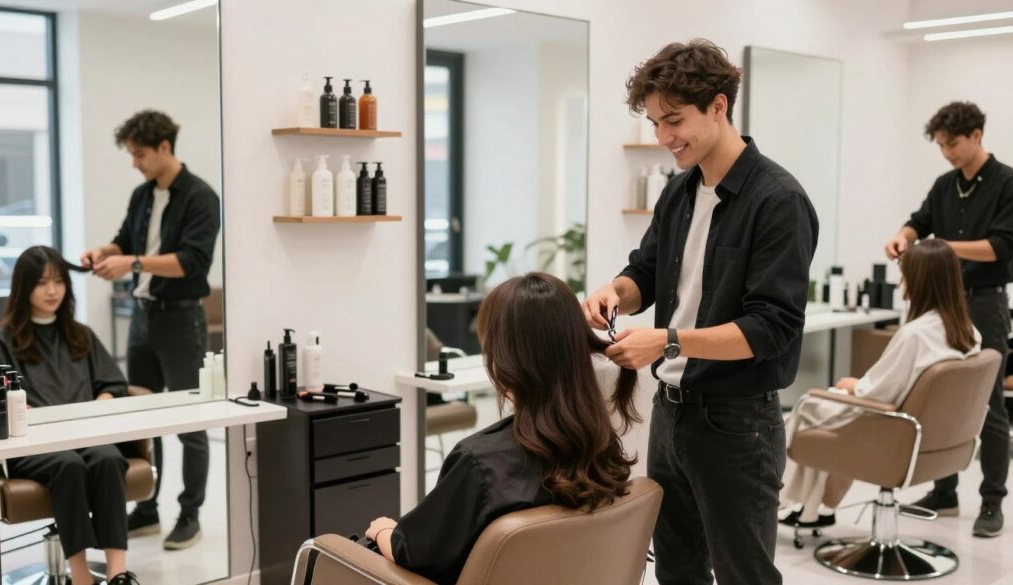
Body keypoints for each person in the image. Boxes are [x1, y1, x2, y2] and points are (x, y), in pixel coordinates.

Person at [583, 39, 818, 585]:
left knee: (744, 576)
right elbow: (645, 273)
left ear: (718, 106)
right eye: (655, 124)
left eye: (674, 121)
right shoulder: (679, 192)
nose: (664, 138)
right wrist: (614, 291)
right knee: (677, 571)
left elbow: (773, 328)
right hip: (670, 413)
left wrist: (668, 341)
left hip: (737, 423)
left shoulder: (778, 201)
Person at [364, 273, 639, 585]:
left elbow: (413, 555)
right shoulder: (601, 446)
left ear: (503, 359)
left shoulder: (479, 464)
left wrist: (384, 530)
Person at [80, 109, 220, 550]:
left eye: (140, 154)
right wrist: (104, 251)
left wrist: (133, 263)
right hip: (143, 317)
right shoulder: (142, 195)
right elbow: (125, 240)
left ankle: (190, 514)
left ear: (164, 147)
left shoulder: (201, 196)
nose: (134, 163)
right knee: (141, 416)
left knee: (190, 422)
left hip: (181, 320)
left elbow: (193, 262)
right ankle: (146, 509)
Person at [780, 240, 981, 527]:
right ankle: (813, 510)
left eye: (904, 276)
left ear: (920, 281)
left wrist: (853, 385)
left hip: (895, 432)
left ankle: (784, 502)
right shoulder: (969, 333)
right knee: (820, 411)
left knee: (805, 410)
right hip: (938, 437)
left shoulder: (915, 335)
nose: (900, 283)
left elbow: (876, 392)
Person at [884, 101, 1013, 537]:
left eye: (952, 144)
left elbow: (1000, 247)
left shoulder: (1007, 183)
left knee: (988, 402)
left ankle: (992, 500)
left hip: (984, 304)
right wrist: (904, 237)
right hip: (940, 302)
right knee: (937, 396)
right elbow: (919, 222)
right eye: (940, 145)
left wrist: (939, 249)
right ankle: (944, 492)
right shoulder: (945, 185)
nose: (947, 153)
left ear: (976, 135)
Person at [0, 246, 138, 585]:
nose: (52, 290)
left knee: (109, 458)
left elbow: (113, 383)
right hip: (33, 446)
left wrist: (101, 401)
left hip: (83, 436)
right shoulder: (0, 342)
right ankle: (81, 575)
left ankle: (117, 573)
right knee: (68, 465)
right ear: (24, 287)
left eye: (59, 281)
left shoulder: (80, 335)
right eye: (42, 283)